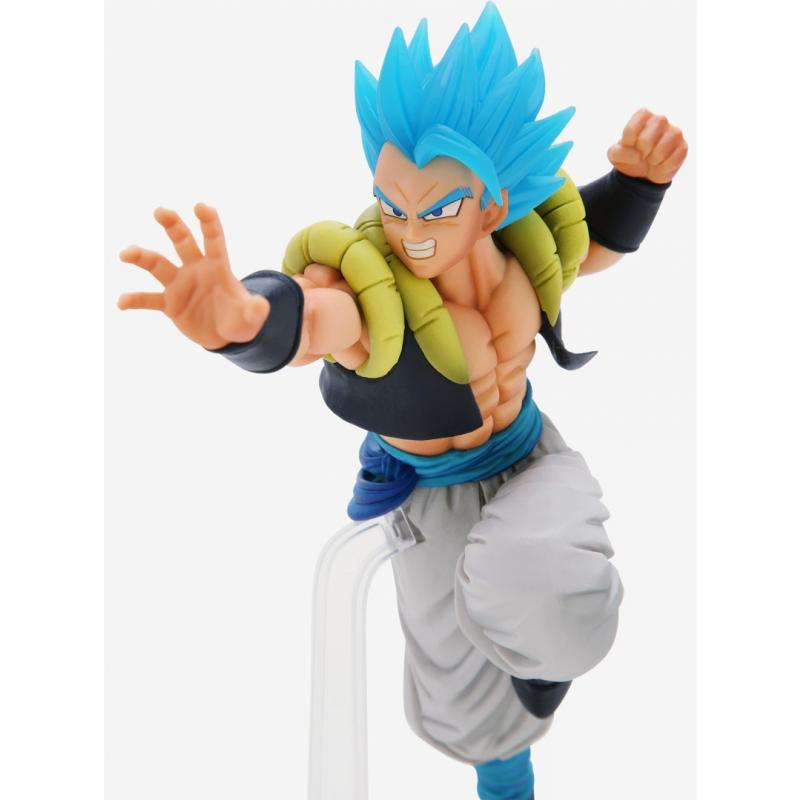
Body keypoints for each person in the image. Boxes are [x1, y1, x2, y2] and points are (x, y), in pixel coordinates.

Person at [117, 4, 687, 798]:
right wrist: (243, 324)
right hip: (435, 499)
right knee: (467, 704)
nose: (411, 228)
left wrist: (642, 181)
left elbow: (591, 240)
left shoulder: (526, 246)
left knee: (551, 588)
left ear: (492, 204)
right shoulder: (376, 287)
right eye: (394, 202)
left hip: (530, 456)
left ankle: (543, 664)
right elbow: (320, 319)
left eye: (438, 207)